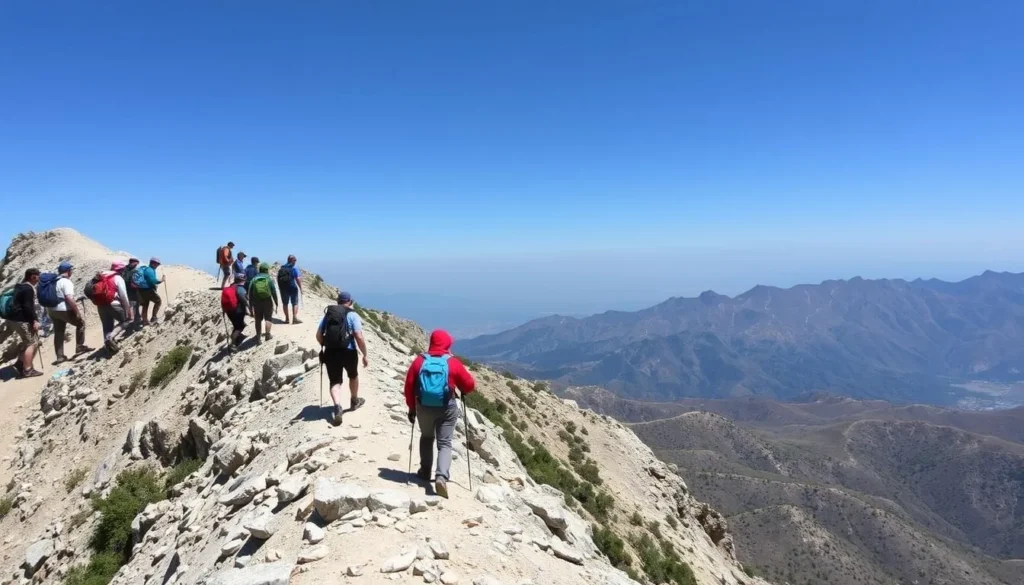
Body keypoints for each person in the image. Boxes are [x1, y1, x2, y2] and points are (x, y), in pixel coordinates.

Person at [403, 329, 476, 498]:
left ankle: (425, 471)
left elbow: (409, 387)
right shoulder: (453, 363)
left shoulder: (419, 362)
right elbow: (469, 385)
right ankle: (441, 477)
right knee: (444, 443)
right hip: (446, 407)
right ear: (447, 344)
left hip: (423, 407)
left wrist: (411, 408)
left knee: (426, 437)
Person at [315, 291, 368, 425]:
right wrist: (364, 354)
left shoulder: (329, 314)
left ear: (338, 301)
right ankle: (354, 400)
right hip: (348, 351)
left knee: (335, 381)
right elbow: (358, 335)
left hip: (331, 352)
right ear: (350, 302)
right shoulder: (353, 315)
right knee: (353, 375)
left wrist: (325, 344)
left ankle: (337, 406)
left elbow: (319, 335)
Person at [47, 262, 91, 364]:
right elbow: (68, 298)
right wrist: (77, 311)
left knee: (59, 331)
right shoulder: (66, 282)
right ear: (68, 271)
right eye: (71, 270)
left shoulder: (53, 281)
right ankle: (80, 346)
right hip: (63, 309)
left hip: (51, 310)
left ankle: (60, 356)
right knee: (80, 323)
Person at [5, 268, 43, 377]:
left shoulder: (19, 286)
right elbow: (28, 307)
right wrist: (34, 321)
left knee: (28, 342)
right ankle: (27, 370)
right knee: (32, 343)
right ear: (33, 277)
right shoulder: (28, 289)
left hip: (13, 320)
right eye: (38, 276)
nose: (39, 279)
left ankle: (20, 363)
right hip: (22, 320)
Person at [90, 262, 133, 354]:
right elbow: (123, 295)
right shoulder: (117, 277)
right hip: (113, 304)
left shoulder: (99, 277)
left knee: (107, 326)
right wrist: (128, 309)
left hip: (100, 305)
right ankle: (111, 337)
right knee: (126, 321)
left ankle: (109, 349)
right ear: (120, 270)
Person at [247, 262, 278, 343]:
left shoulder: (254, 279)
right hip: (267, 301)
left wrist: (250, 306)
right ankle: (267, 335)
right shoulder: (269, 279)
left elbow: (250, 294)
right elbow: (274, 292)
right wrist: (276, 302)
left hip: (256, 302)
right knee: (268, 318)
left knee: (258, 319)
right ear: (266, 270)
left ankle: (258, 337)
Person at [134, 257, 165, 326]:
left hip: (141, 290)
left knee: (145, 304)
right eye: (157, 264)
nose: (157, 265)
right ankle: (154, 317)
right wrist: (161, 280)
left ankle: (145, 321)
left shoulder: (147, 269)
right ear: (153, 263)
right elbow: (153, 281)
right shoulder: (150, 270)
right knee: (158, 301)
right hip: (148, 290)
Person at [221, 273, 248, 348]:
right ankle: (233, 344)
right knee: (240, 327)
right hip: (237, 310)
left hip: (228, 310)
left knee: (236, 325)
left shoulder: (231, 287)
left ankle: (238, 337)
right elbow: (244, 300)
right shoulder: (240, 288)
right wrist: (249, 308)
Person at [277, 254, 303, 324]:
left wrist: (280, 288)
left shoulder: (282, 268)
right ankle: (294, 318)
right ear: (292, 260)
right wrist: (300, 288)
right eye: (295, 260)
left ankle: (287, 319)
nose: (296, 261)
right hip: (292, 287)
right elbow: (297, 278)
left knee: (285, 303)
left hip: (283, 288)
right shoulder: (294, 268)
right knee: (295, 303)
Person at [120, 257, 143, 328]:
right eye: (136, 264)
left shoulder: (123, 270)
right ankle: (135, 324)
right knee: (135, 308)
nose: (136, 265)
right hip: (133, 293)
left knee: (127, 309)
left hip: (123, 292)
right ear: (134, 263)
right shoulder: (134, 271)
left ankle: (127, 323)